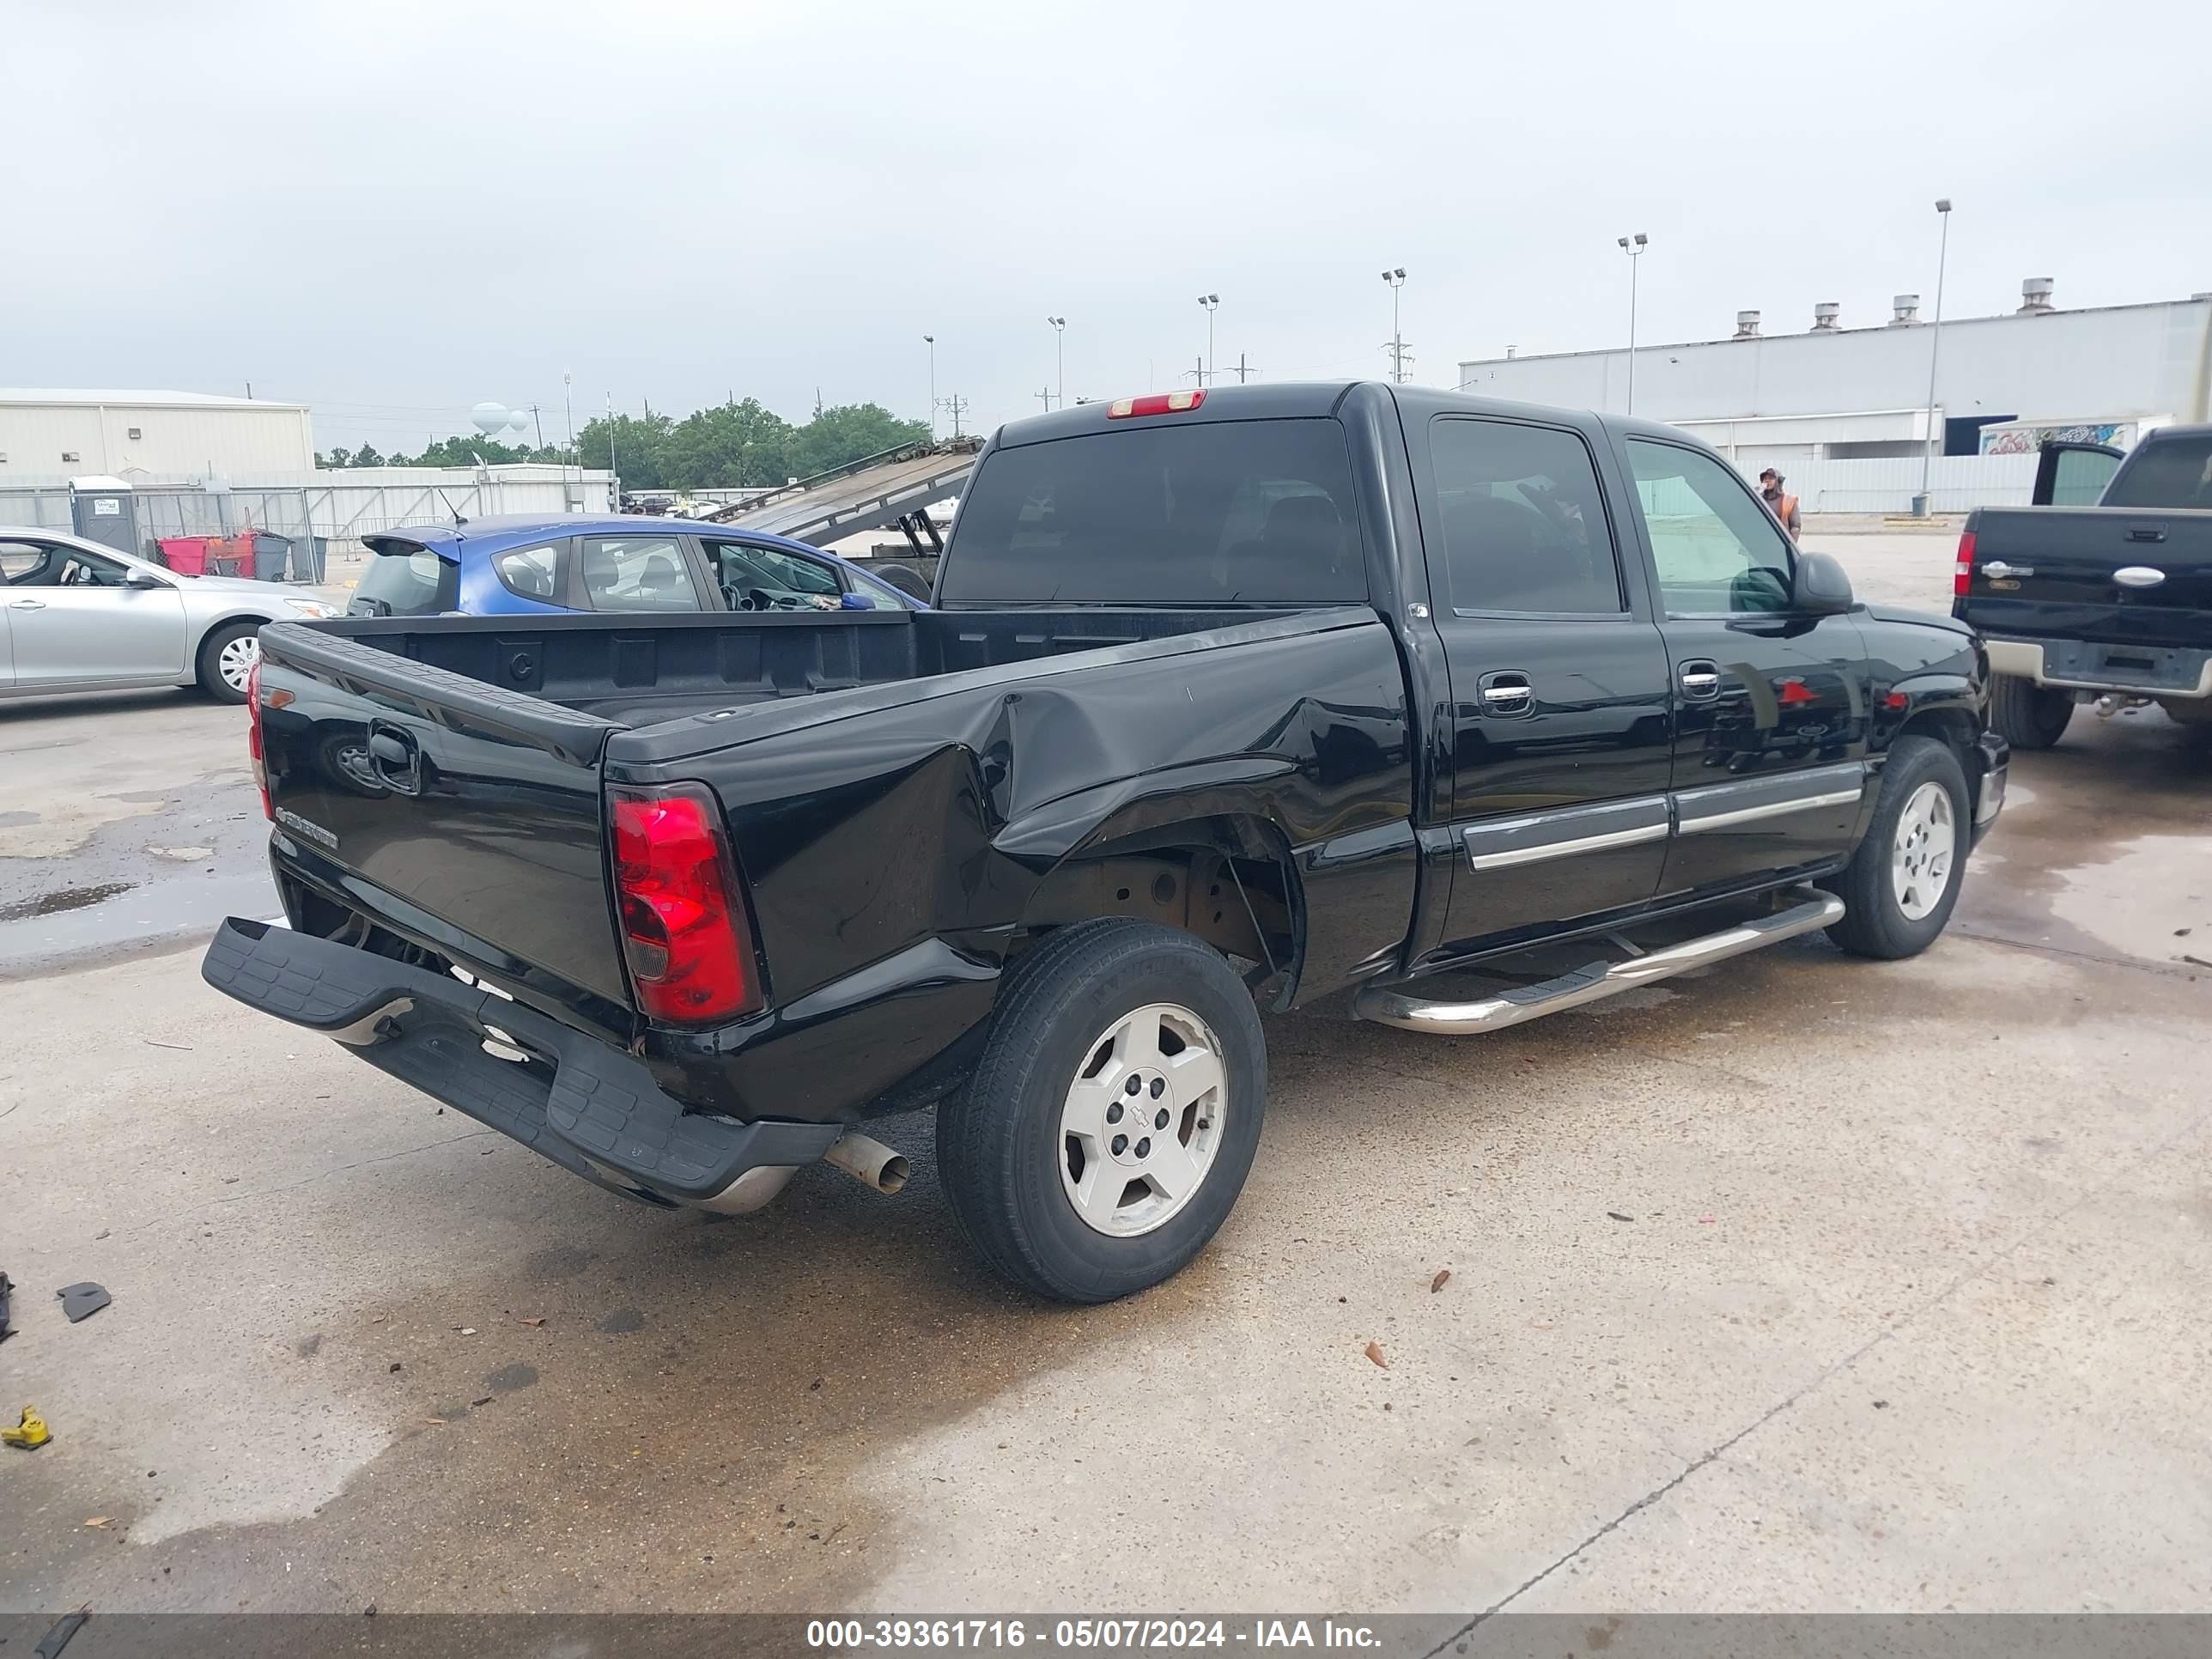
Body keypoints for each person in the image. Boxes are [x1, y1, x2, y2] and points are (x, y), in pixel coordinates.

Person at [1759, 469, 1802, 540]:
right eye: (1765, 478)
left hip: (1780, 541)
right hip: (1761, 539)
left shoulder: (1789, 501)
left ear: (1779, 481)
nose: (1767, 481)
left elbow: (1796, 526)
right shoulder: (1759, 498)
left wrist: (1791, 544)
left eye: (1771, 478)